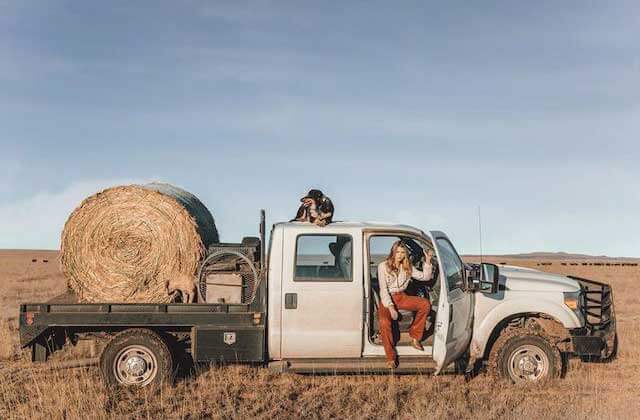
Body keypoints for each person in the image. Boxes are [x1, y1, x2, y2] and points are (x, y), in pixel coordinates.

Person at [377, 240, 434, 368]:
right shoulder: (383, 266)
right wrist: (391, 308)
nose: (400, 255)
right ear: (393, 251)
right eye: (398, 252)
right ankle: (391, 357)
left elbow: (425, 277)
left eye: (403, 252)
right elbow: (383, 290)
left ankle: (415, 337)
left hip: (401, 296)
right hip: (387, 299)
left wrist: (428, 261)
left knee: (425, 304)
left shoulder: (407, 267)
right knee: (384, 322)